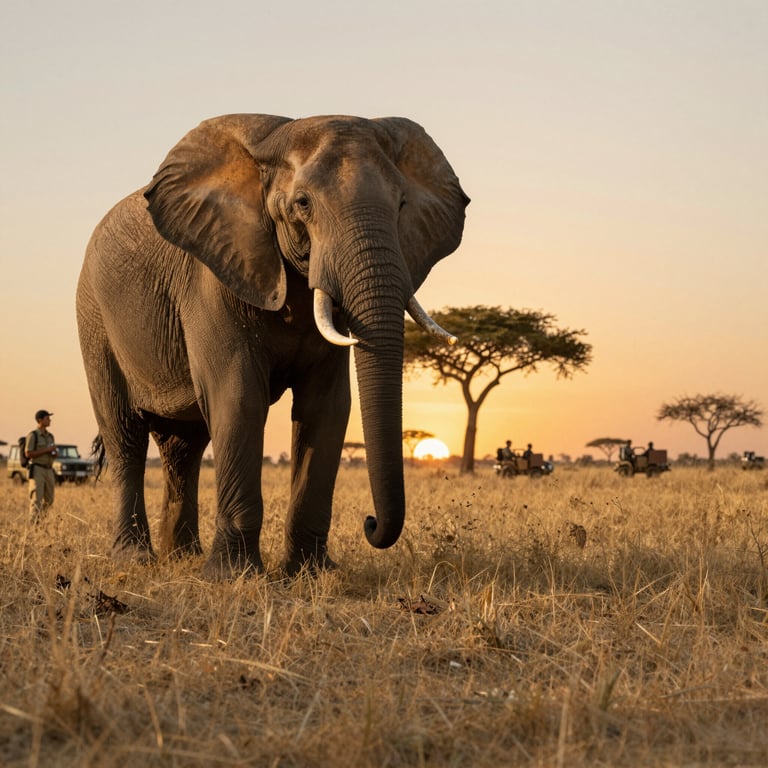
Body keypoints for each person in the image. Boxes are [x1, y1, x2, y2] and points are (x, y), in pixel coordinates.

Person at [25, 409, 57, 523]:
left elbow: (53, 452)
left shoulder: (50, 436)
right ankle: (33, 525)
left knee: (50, 500)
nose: (50, 420)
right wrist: (46, 450)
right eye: (47, 418)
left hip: (49, 469)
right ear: (40, 420)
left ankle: (41, 523)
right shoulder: (33, 435)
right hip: (37, 469)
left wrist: (53, 452)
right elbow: (28, 453)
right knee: (36, 499)